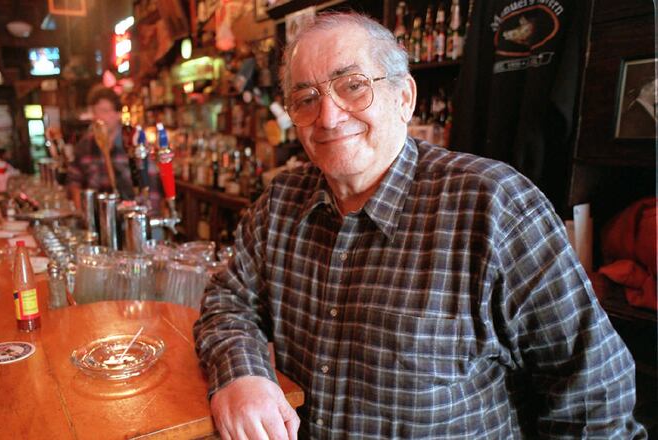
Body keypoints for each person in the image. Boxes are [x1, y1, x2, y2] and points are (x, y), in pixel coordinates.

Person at [193, 12, 646, 439]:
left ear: (404, 97)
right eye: (307, 98)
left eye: (353, 86)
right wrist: (242, 374)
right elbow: (227, 301)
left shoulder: (494, 205)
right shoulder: (281, 201)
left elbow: (593, 395)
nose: (328, 117)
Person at [66, 86, 136, 206]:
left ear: (118, 114)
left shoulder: (133, 141)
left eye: (104, 111)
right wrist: (83, 212)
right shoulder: (84, 145)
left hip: (130, 212)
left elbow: (150, 188)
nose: (98, 117)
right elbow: (74, 182)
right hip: (96, 213)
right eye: (95, 112)